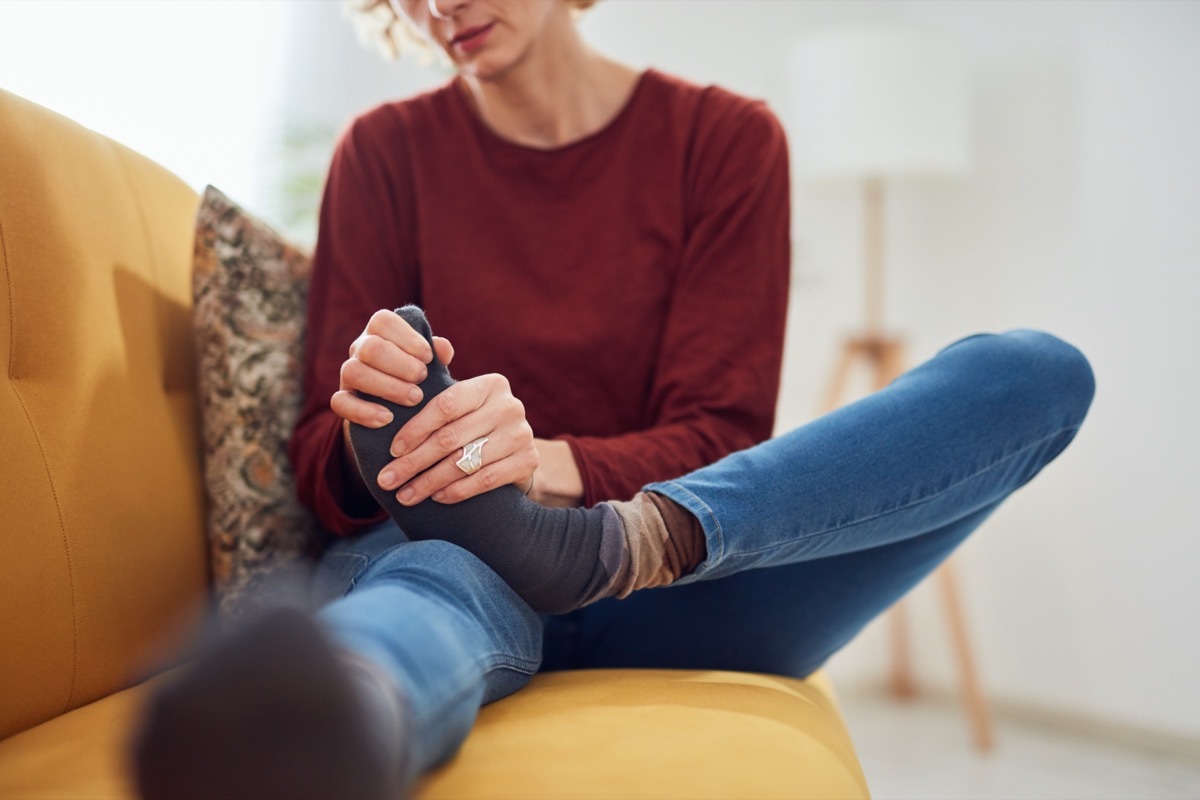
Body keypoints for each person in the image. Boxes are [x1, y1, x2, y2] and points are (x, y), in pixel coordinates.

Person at [131, 1, 1096, 799]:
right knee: (430, 587)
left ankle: (588, 551)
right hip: (455, 559)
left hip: (674, 564)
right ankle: (322, 727)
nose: (438, 8)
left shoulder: (725, 142)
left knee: (1036, 374)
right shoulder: (384, 153)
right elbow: (317, 464)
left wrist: (537, 466)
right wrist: (375, 429)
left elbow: (723, 432)